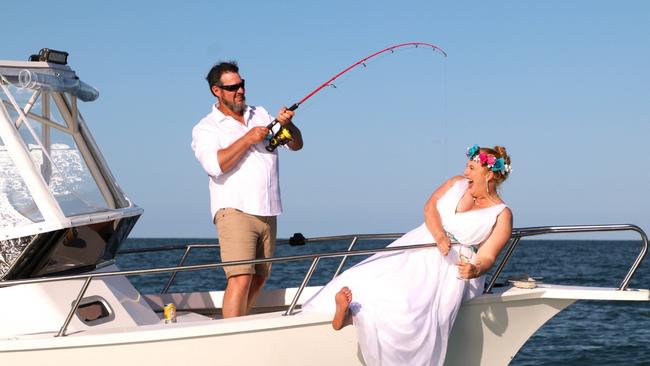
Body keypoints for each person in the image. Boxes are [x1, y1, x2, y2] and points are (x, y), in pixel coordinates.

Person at [302, 145, 513, 366]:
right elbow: (429, 207)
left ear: (489, 174)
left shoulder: (501, 214)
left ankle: (355, 318)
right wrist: (440, 236)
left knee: (405, 303)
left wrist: (475, 269)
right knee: (365, 277)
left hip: (450, 267)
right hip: (418, 243)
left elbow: (488, 256)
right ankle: (347, 314)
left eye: (471, 168)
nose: (466, 172)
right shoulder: (456, 183)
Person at [191, 61, 303, 318]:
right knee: (240, 277)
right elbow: (215, 165)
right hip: (235, 210)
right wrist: (248, 139)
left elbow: (296, 145)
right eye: (232, 87)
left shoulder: (260, 113)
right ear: (216, 91)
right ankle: (229, 336)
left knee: (258, 279)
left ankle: (238, 324)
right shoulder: (207, 127)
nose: (239, 90)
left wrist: (288, 125)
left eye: (241, 84)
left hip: (268, 210)